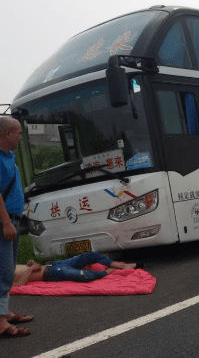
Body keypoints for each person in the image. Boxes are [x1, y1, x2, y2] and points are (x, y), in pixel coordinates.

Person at [0, 117, 31, 339]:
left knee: (8, 270)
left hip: (13, 219)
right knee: (3, 272)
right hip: (4, 222)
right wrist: (7, 223)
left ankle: (4, 312)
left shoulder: (9, 156)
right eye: (19, 132)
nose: (21, 136)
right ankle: (1, 322)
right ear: (8, 133)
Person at [12, 251, 143, 286]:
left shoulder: (7, 265)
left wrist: (31, 264)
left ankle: (120, 265)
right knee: (85, 276)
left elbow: (33, 267)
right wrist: (31, 269)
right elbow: (17, 285)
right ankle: (111, 270)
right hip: (51, 273)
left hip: (54, 264)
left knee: (90, 255)